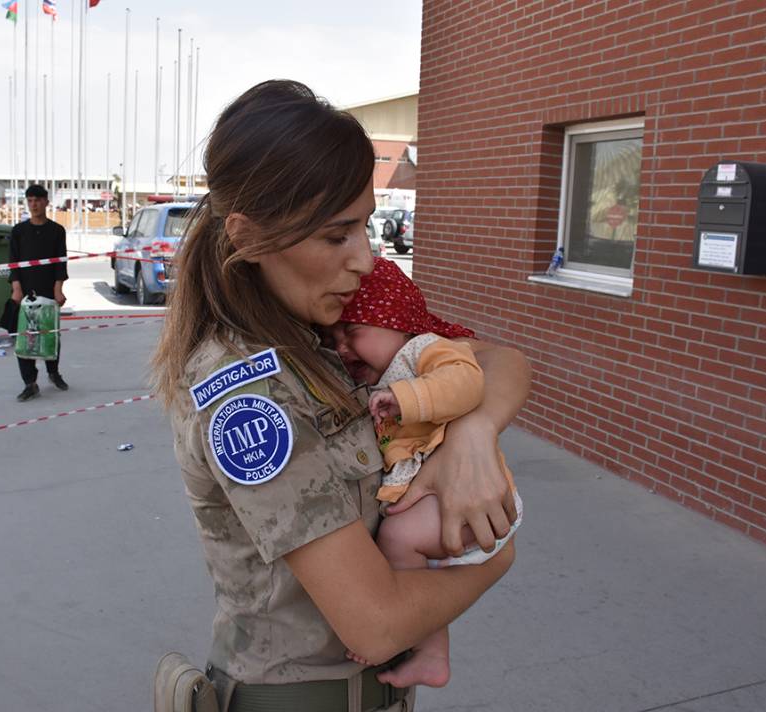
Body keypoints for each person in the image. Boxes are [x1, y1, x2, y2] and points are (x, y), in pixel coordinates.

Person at [151, 80, 529, 711]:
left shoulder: (318, 327)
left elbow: (498, 360)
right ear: (247, 237)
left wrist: (472, 434)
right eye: (337, 235)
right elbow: (375, 623)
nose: (366, 260)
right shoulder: (247, 396)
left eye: (366, 227)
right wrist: (498, 556)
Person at [329, 256, 524, 689]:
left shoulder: (424, 350)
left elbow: (466, 380)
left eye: (353, 331)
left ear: (398, 322)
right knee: (401, 543)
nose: (342, 347)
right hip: (435, 496)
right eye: (334, 337)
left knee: (397, 539)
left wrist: (409, 398)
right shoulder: (378, 375)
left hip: (462, 495)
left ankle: (413, 639)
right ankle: (432, 653)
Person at [8, 183, 69, 402]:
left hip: (48, 291)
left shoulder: (57, 231)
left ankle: (53, 372)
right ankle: (30, 383)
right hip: (25, 293)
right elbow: (13, 263)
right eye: (30, 201)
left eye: (38, 200)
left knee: (51, 334)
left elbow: (61, 262)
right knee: (25, 338)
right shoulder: (18, 231)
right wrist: (16, 288)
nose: (34, 205)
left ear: (46, 202)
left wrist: (58, 289)